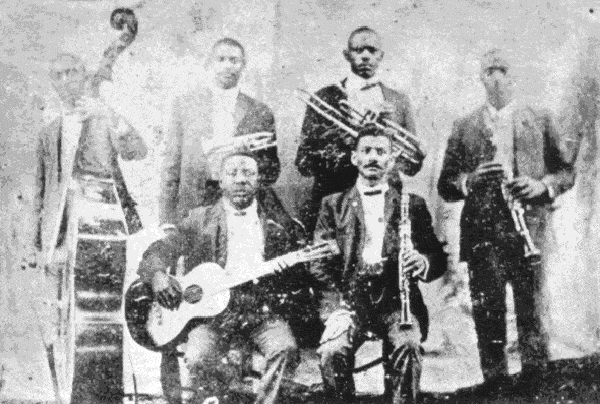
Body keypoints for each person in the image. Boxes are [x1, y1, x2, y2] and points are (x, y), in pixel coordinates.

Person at [437, 49, 576, 394]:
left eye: (503, 70)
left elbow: (566, 171)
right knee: (489, 319)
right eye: (489, 71)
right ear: (480, 78)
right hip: (484, 237)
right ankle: (495, 389)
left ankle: (537, 389)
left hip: (528, 231)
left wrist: (541, 185)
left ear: (514, 77)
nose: (496, 77)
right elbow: (446, 183)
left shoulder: (540, 117)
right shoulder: (464, 125)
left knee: (532, 316)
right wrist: (470, 181)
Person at [140, 152, 312, 404]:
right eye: (232, 174)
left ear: (258, 180)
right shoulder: (200, 220)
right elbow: (160, 251)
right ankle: (222, 395)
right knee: (198, 356)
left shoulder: (277, 223)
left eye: (248, 174)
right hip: (212, 317)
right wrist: (158, 276)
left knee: (284, 349)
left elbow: (297, 279)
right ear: (220, 181)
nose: (241, 180)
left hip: (260, 312)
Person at [311, 125, 447, 403]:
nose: (373, 157)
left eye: (380, 151)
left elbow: (437, 257)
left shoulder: (412, 204)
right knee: (331, 351)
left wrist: (422, 261)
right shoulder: (332, 205)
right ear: (354, 158)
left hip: (397, 303)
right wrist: (336, 308)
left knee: (408, 346)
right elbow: (318, 265)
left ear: (391, 159)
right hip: (350, 302)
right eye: (366, 151)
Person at [295, 26, 422, 235]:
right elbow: (304, 163)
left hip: (385, 202)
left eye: (372, 51)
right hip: (334, 201)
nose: (365, 56)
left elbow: (411, 166)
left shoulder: (399, 101)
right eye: (358, 50)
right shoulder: (323, 98)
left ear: (381, 56)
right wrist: (356, 136)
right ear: (347, 55)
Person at [34, 52, 147, 272]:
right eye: (58, 75)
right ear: (52, 83)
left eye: (72, 72)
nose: (66, 80)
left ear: (85, 75)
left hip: (101, 225)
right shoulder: (47, 134)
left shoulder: (103, 117)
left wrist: (108, 115)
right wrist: (33, 243)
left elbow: (138, 151)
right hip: (59, 233)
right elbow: (39, 191)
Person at [159, 37, 281, 227]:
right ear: (210, 63)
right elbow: (171, 165)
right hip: (195, 202)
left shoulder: (260, 111)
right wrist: (166, 219)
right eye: (220, 59)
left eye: (234, 61)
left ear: (243, 66)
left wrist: (247, 157)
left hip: (240, 205)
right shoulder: (185, 105)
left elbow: (272, 171)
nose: (227, 66)